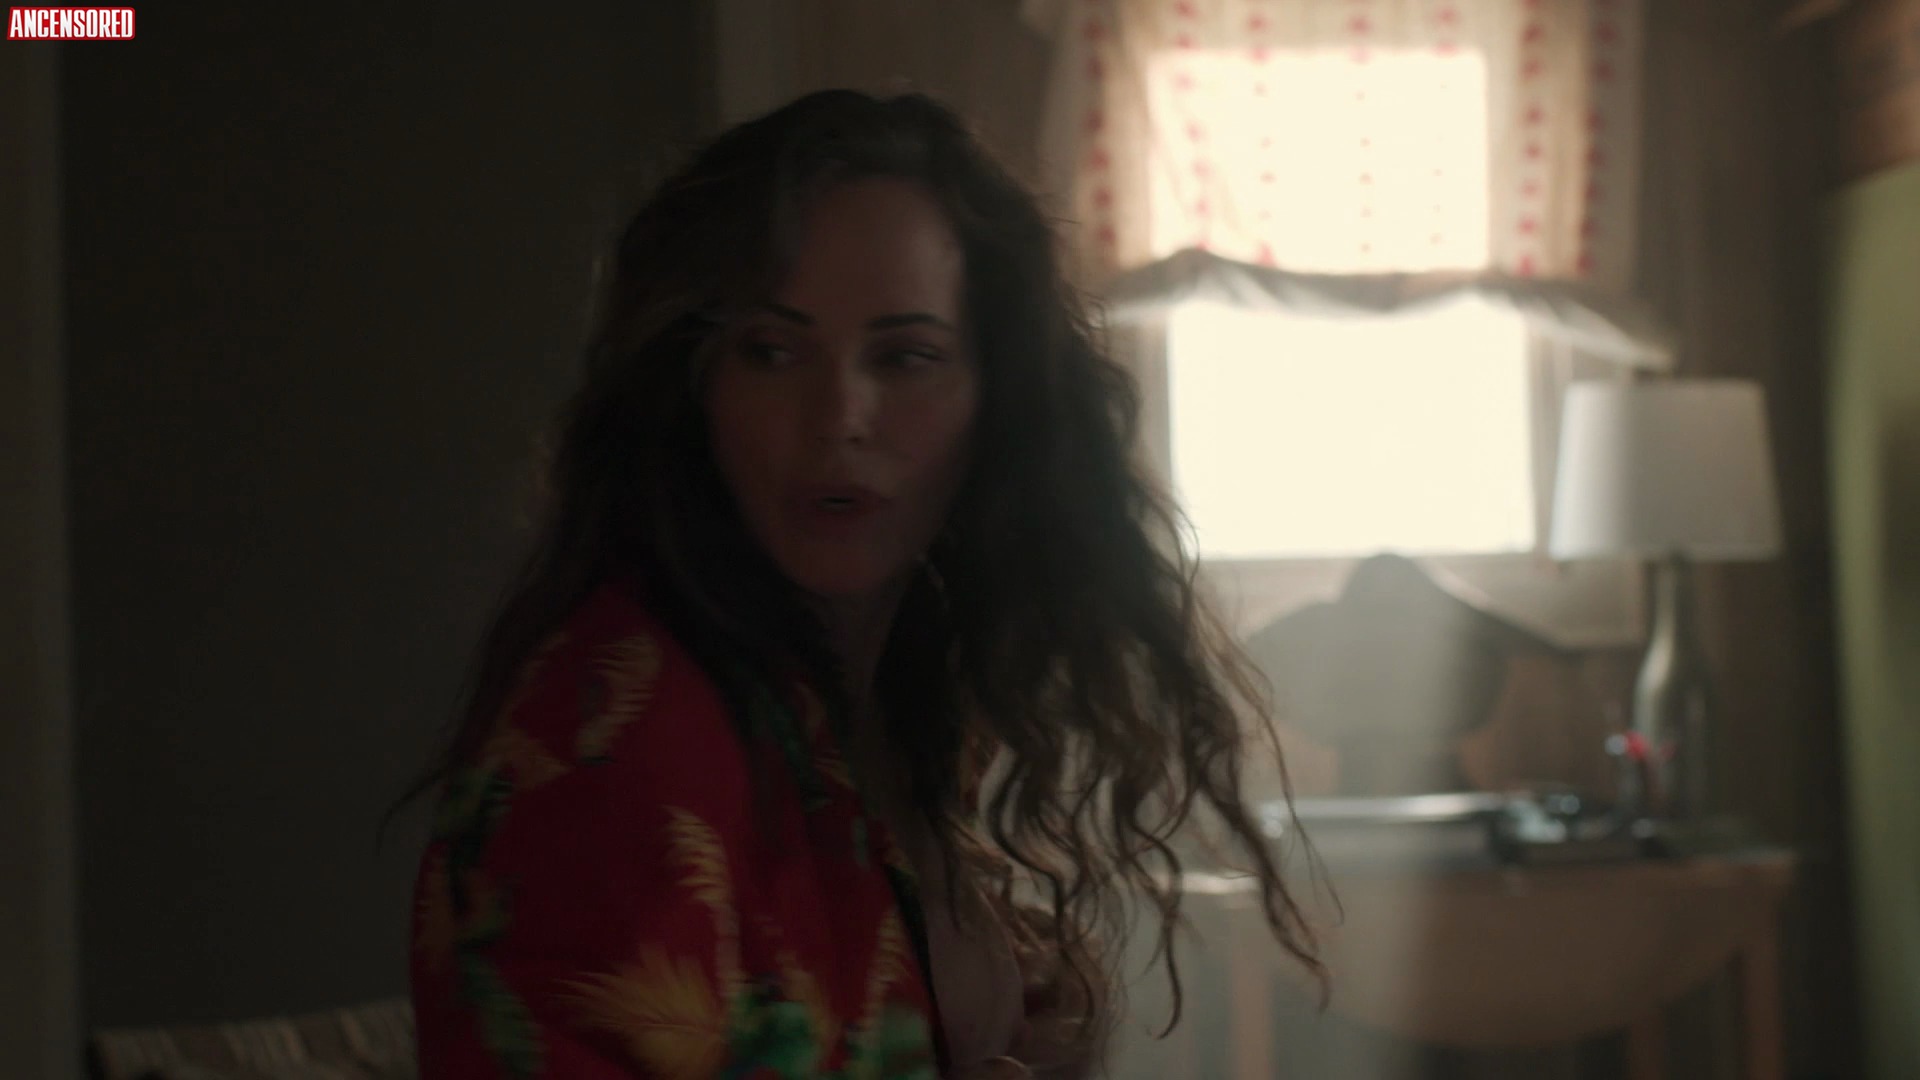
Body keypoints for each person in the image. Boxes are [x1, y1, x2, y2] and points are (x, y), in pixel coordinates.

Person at [398, 89, 1322, 1080]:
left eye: (906, 357)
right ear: (694, 385)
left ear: (998, 400)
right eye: (771, 352)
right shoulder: (618, 729)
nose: (838, 415)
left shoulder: (896, 695)